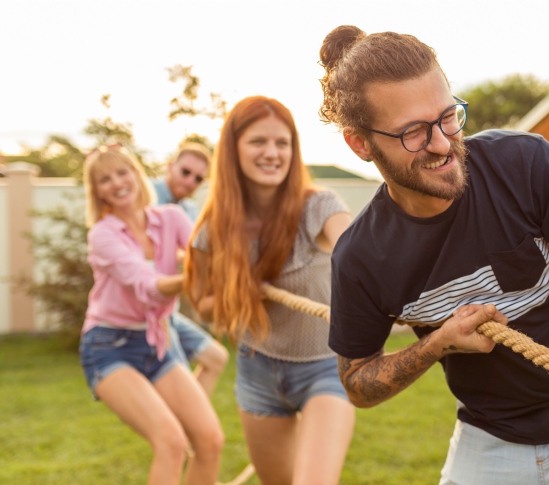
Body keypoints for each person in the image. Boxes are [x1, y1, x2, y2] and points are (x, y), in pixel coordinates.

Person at [319, 25, 549, 484]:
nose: (442, 143)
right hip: (487, 436)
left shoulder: (526, 165)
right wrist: (437, 343)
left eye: (447, 117)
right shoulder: (361, 256)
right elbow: (358, 381)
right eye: (414, 133)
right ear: (360, 143)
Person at [185, 96, 355, 485]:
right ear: (233, 149)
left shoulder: (319, 206)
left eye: (283, 143)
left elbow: (357, 252)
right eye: (258, 141)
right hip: (257, 369)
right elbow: (203, 305)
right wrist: (239, 294)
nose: (272, 153)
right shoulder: (214, 227)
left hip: (325, 369)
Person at [79, 145, 223, 485]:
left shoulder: (171, 217)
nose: (116, 183)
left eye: (122, 172)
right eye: (104, 179)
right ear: (96, 191)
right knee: (171, 443)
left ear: (136, 174)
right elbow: (148, 286)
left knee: (210, 441)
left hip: (154, 340)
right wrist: (196, 277)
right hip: (109, 346)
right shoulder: (103, 235)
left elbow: (203, 254)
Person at [151, 143, 229, 397]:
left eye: (198, 178)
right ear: (169, 167)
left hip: (169, 310)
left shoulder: (189, 210)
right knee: (180, 385)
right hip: (146, 315)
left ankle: (186, 425)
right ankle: (185, 425)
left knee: (216, 358)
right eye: (185, 172)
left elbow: (194, 254)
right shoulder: (145, 195)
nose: (190, 181)